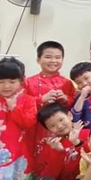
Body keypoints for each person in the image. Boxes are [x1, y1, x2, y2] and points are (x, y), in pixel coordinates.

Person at [23, 41, 77, 172]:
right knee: (34, 160)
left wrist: (65, 99)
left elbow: (73, 105)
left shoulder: (67, 83)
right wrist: (40, 100)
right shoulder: (28, 82)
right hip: (35, 128)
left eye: (58, 57)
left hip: (60, 128)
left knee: (58, 159)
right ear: (38, 59)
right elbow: (21, 103)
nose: (53, 61)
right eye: (48, 57)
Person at [36, 103, 90, 180]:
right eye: (52, 126)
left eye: (61, 120)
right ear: (48, 129)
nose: (59, 126)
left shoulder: (87, 134)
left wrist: (77, 142)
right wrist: (59, 152)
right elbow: (50, 176)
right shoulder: (51, 145)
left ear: (70, 115)